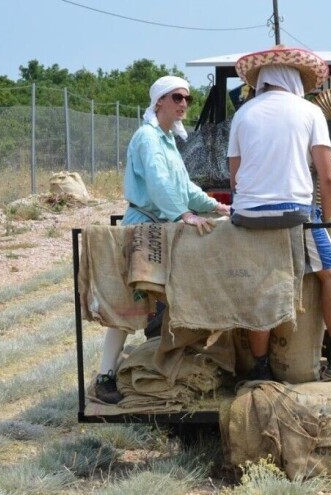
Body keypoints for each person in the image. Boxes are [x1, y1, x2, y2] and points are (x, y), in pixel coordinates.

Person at [94, 75, 232, 404]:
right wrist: (183, 214)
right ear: (159, 102)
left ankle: (174, 363)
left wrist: (215, 205)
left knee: (175, 296)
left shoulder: (169, 140)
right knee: (130, 304)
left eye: (187, 98)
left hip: (165, 226)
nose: (184, 103)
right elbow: (158, 184)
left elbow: (183, 187)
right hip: (145, 227)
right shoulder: (147, 138)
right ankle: (104, 376)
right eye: (177, 97)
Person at [228, 45, 331, 381]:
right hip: (295, 213)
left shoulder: (242, 114)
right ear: (295, 80)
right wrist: (327, 222)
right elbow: (327, 178)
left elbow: (235, 177)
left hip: (247, 217)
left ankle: (259, 368)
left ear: (263, 81)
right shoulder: (309, 112)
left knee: (260, 285)